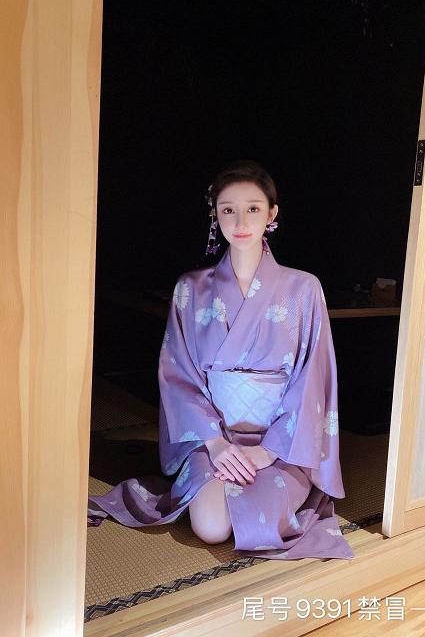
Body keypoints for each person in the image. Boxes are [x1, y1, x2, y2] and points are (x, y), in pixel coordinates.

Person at [87, 159, 355, 561]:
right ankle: (213, 466)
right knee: (211, 528)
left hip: (281, 443)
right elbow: (177, 375)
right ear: (215, 214)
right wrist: (215, 443)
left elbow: (312, 380)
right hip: (212, 436)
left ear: (272, 214)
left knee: (261, 525)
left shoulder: (304, 289)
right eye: (228, 209)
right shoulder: (190, 288)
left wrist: (268, 451)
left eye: (253, 208)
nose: (240, 221)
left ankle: (275, 475)